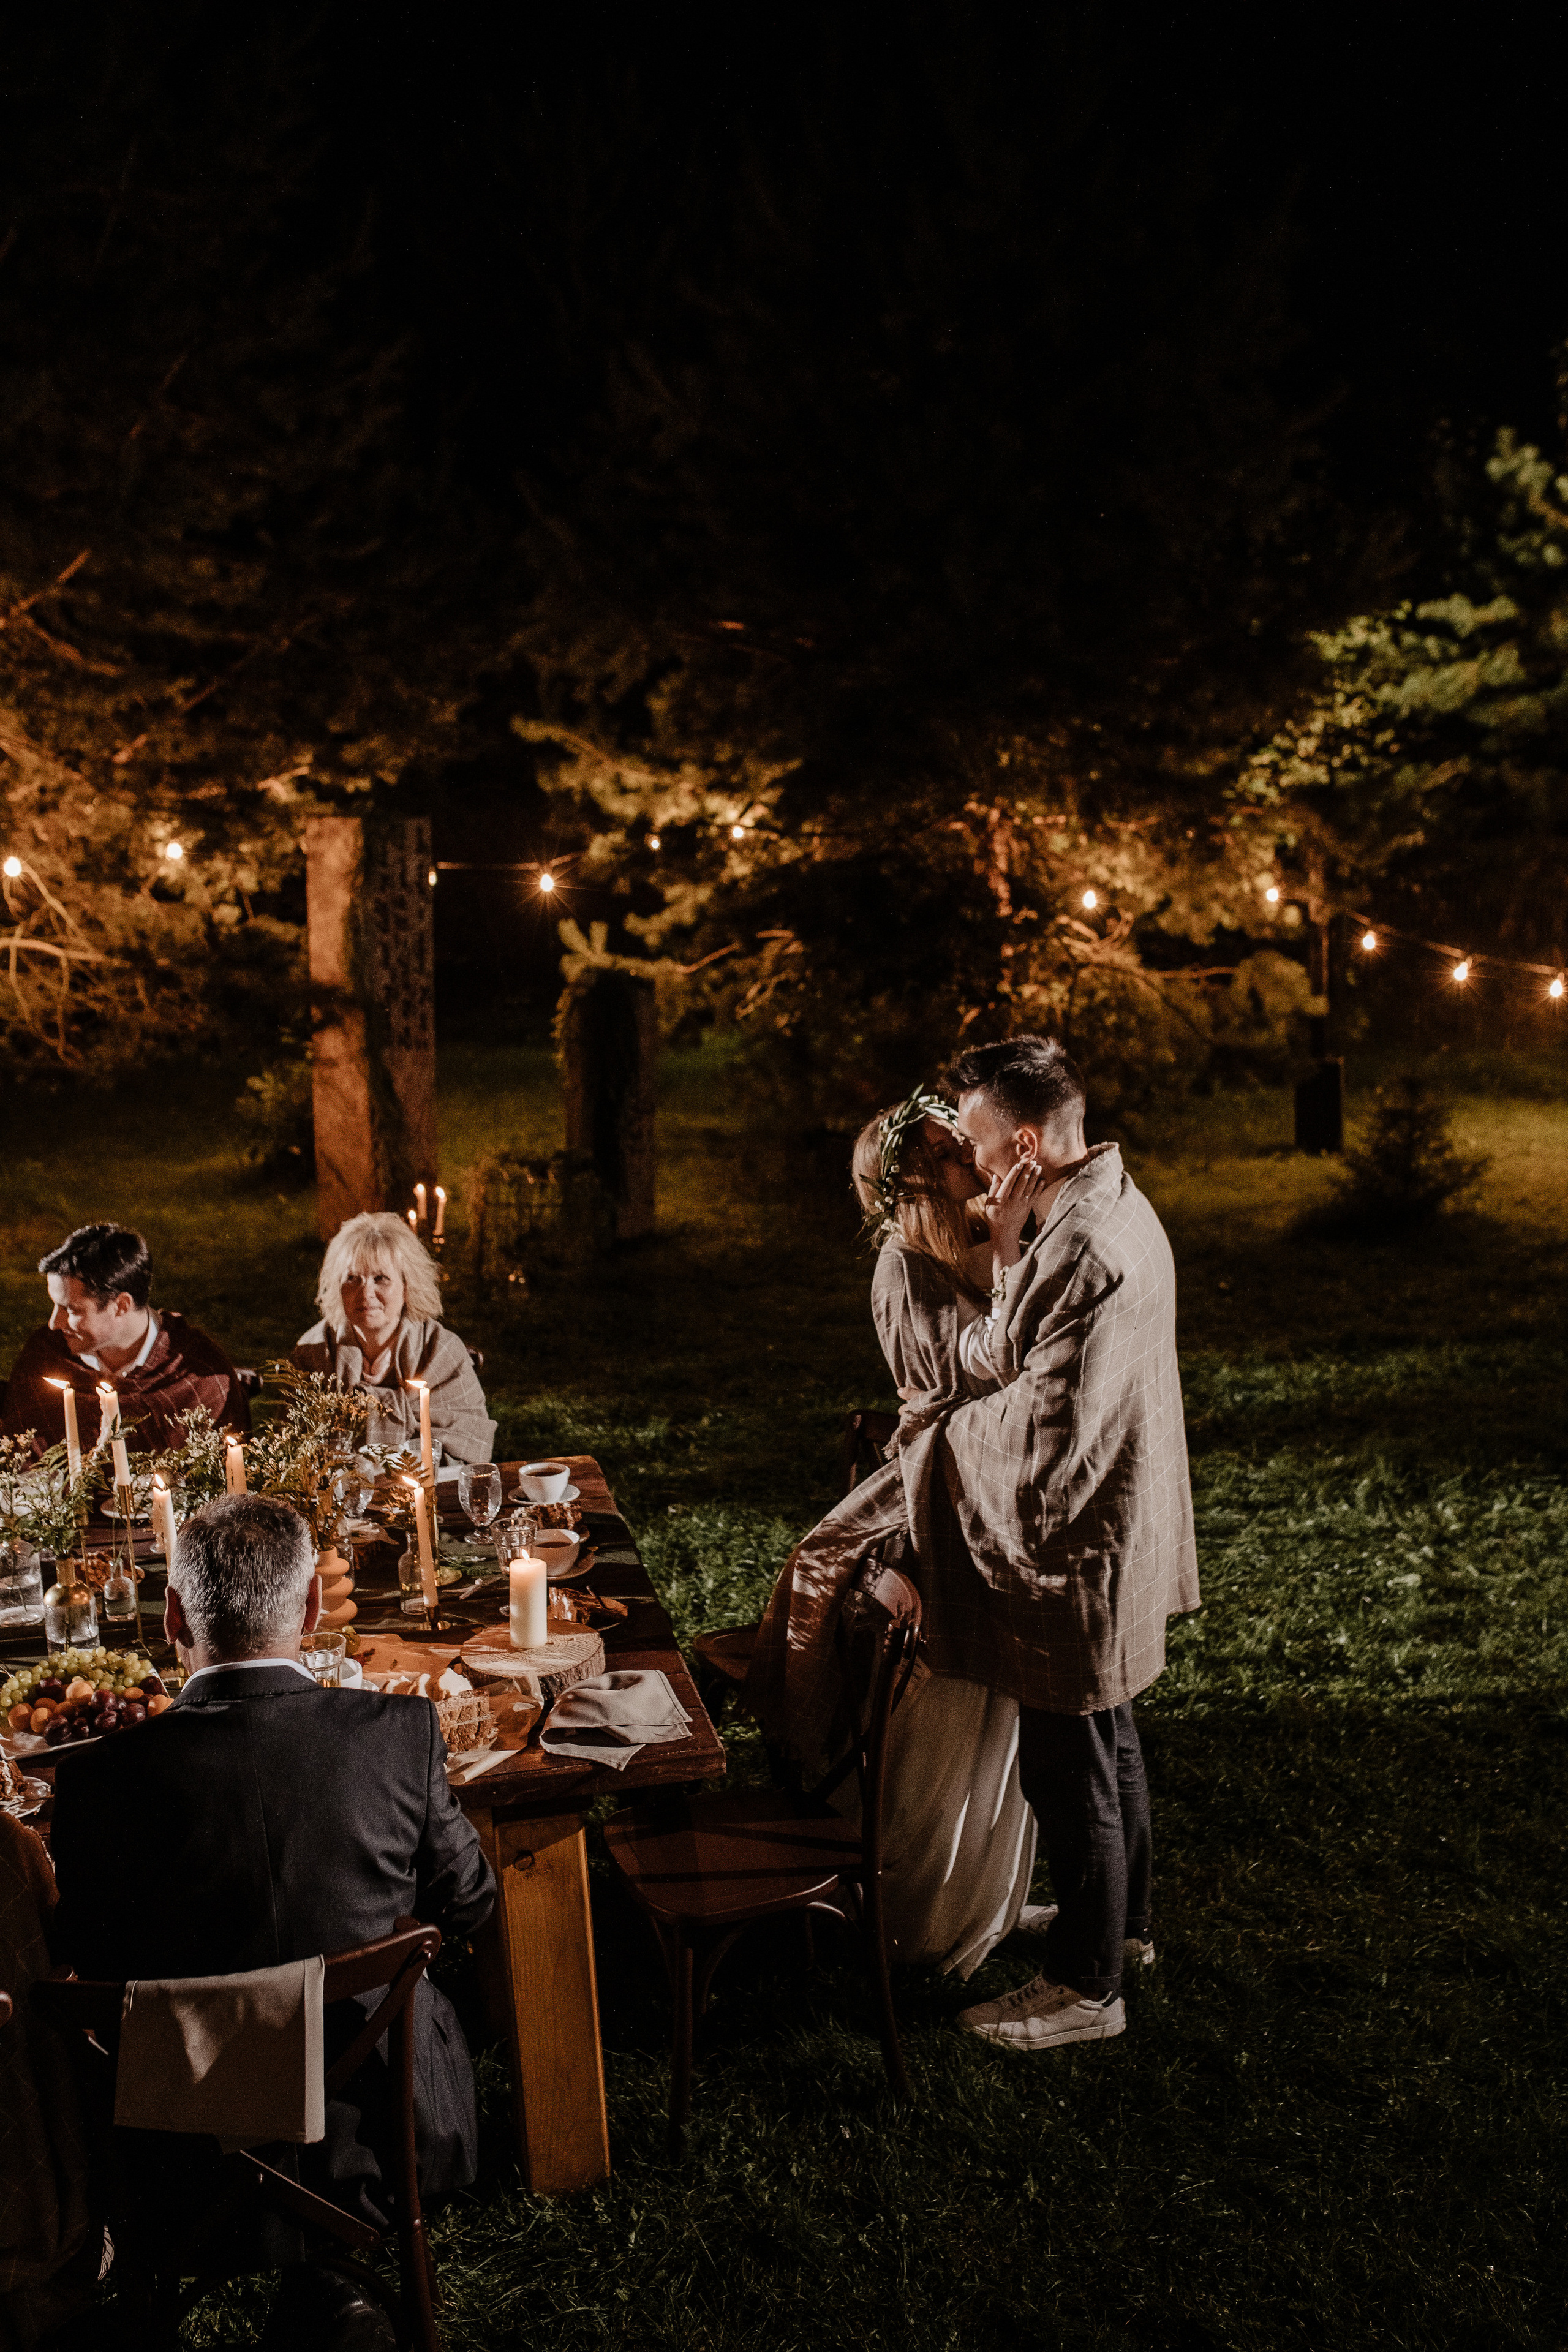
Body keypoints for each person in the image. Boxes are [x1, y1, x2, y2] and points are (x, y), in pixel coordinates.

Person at [48, 1491, 496, 2352]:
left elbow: (89, 1959)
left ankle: (288, 2265)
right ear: (314, 1608)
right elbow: (469, 1903)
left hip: (179, 2150)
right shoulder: (400, 1732)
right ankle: (330, 2272)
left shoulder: (98, 1781)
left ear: (173, 1616)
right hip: (374, 2127)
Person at [744, 1085, 1050, 1980]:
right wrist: (1007, 1247)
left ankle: (988, 1896)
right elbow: (956, 1380)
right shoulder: (901, 1266)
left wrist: (1006, 1243)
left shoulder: (975, 1245)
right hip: (945, 1491)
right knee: (943, 1704)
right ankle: (919, 1918)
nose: (976, 1163)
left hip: (1003, 1488)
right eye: (956, 1155)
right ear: (917, 1178)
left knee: (998, 1713)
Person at [935, 1033, 1200, 2054]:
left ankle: (1085, 1989)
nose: (971, 1163)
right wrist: (1012, 1242)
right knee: (1114, 1729)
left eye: (978, 1141)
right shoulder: (1114, 1202)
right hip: (1117, 1522)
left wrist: (934, 1441)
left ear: (1031, 1143)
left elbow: (998, 1369)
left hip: (1073, 1540)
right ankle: (1120, 1929)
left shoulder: (1076, 1247)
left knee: (1067, 1757)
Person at [1, 1223, 249, 1457]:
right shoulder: (47, 1356)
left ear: (121, 1306)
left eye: (72, 1310)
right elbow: (21, 1464)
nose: (54, 1323)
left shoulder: (200, 1373)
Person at [291, 1211, 496, 1464]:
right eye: (353, 1278)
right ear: (338, 1286)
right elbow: (291, 1453)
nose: (366, 1292)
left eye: (381, 1278)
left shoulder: (442, 1351)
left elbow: (469, 1450)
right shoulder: (311, 1354)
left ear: (407, 1285)